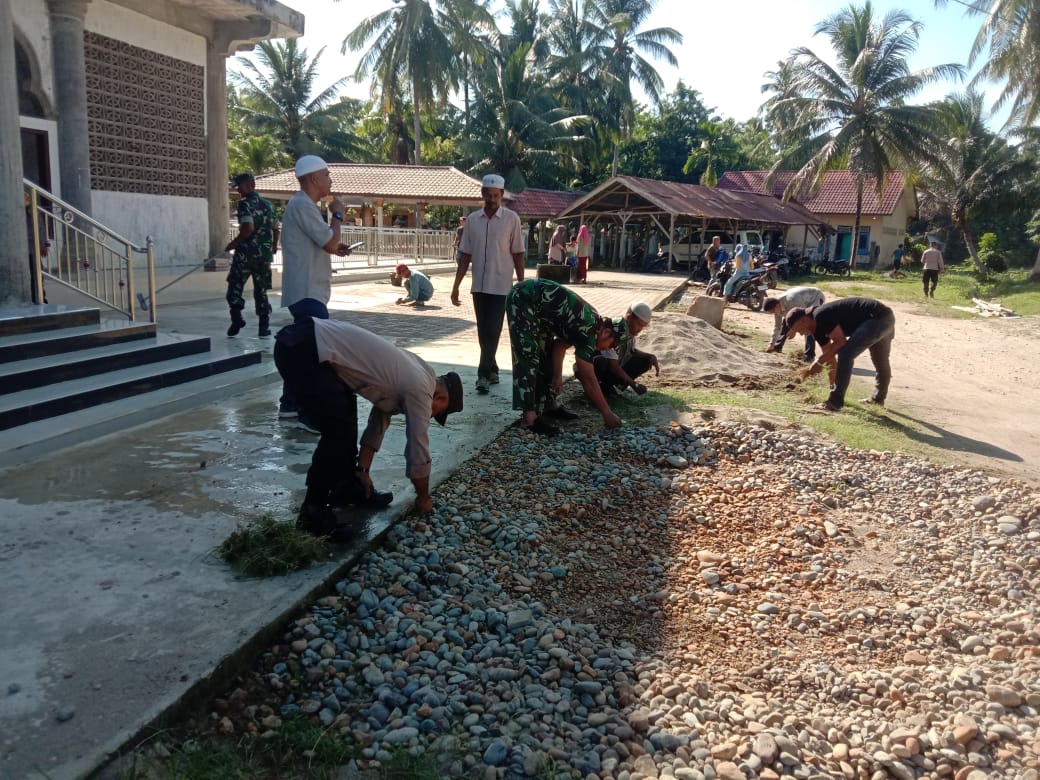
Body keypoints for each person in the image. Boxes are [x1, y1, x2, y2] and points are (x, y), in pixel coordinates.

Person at [273, 316, 463, 540]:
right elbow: (417, 449)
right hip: (305, 349)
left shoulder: (420, 370)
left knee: (345, 417)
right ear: (440, 398)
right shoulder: (422, 391)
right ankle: (313, 514)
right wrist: (423, 498)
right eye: (437, 413)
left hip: (307, 342)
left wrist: (363, 470)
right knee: (338, 432)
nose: (430, 416)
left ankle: (350, 488)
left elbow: (379, 419)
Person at [278, 155, 353, 427]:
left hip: (308, 291)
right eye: (326, 174)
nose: (330, 180)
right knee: (314, 355)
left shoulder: (303, 206)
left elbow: (327, 243)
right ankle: (306, 412)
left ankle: (289, 405)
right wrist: (337, 214)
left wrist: (335, 245)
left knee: (303, 351)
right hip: (307, 291)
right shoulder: (302, 205)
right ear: (313, 178)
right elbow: (330, 242)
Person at [505, 278, 625, 436]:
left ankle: (548, 405)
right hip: (524, 298)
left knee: (545, 352)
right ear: (606, 333)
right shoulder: (588, 331)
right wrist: (607, 413)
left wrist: (557, 376)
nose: (607, 349)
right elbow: (588, 379)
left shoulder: (593, 323)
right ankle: (529, 419)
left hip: (540, 309)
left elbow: (559, 346)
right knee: (528, 353)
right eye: (612, 345)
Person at [450, 173, 525, 395]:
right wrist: (456, 286)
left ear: (501, 195)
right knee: (483, 332)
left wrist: (522, 284)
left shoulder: (511, 219)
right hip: (479, 287)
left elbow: (518, 253)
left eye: (496, 195)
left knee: (493, 330)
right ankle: (493, 369)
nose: (492, 199)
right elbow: (465, 255)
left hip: (501, 286)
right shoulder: (473, 220)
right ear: (483, 194)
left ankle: (482, 375)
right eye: (488, 195)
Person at [781, 297, 896, 411]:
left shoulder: (820, 315)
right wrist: (832, 385)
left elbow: (840, 342)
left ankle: (835, 402)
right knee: (880, 361)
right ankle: (877, 399)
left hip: (877, 317)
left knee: (846, 354)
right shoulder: (817, 330)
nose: (801, 334)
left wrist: (818, 362)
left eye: (800, 330)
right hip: (885, 319)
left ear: (804, 320)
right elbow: (830, 358)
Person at [224, 172, 279, 338]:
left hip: (245, 255)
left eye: (240, 187)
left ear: (250, 185)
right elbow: (275, 228)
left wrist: (234, 243)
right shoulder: (269, 205)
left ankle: (236, 318)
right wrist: (273, 247)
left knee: (235, 287)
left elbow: (248, 229)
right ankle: (264, 326)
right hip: (263, 256)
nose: (238, 190)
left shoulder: (244, 204)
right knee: (261, 291)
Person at [593, 301, 659, 398]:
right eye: (639, 324)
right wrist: (634, 384)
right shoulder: (616, 331)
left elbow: (631, 351)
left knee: (647, 360)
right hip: (601, 366)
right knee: (600, 361)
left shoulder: (630, 332)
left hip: (616, 366)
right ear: (629, 317)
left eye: (643, 326)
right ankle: (599, 387)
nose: (640, 329)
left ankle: (614, 386)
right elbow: (614, 366)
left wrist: (650, 356)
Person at [764, 286, 826, 362]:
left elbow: (804, 317)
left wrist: (793, 330)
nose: (774, 314)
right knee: (786, 322)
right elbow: (777, 326)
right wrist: (771, 343)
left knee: (809, 326)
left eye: (773, 311)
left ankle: (809, 355)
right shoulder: (777, 307)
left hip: (815, 297)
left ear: (777, 306)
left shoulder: (792, 301)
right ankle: (777, 347)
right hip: (801, 300)